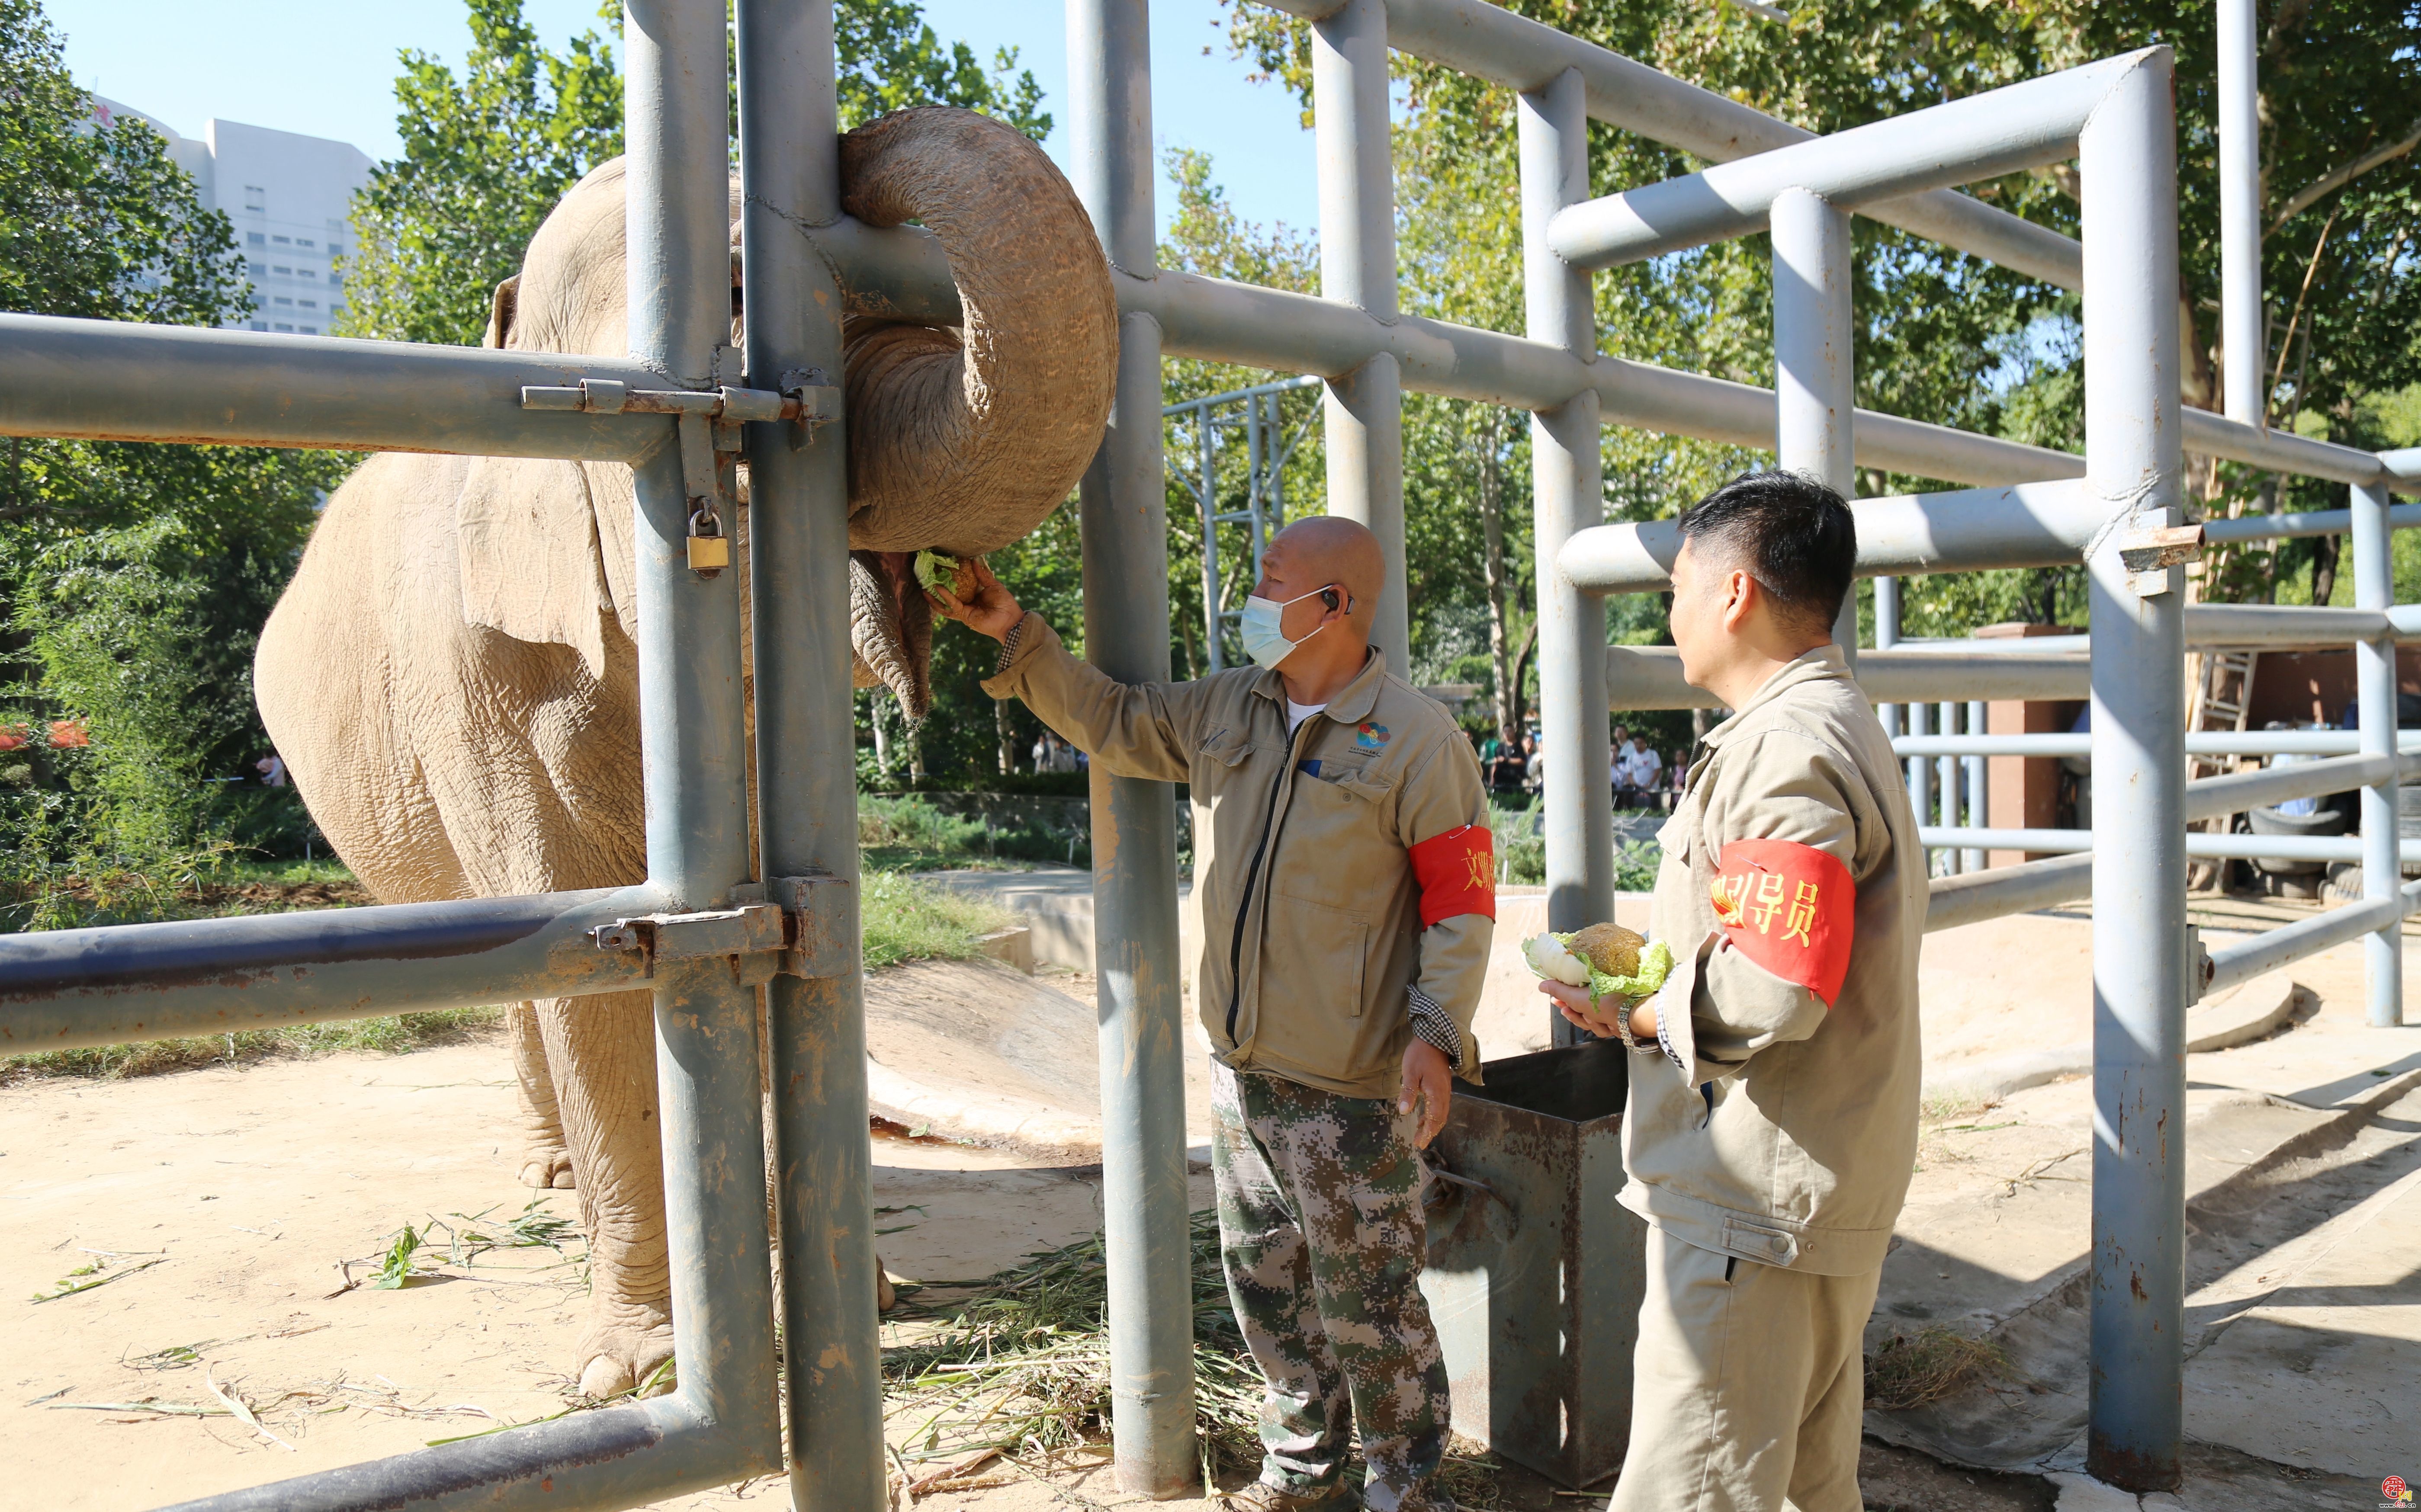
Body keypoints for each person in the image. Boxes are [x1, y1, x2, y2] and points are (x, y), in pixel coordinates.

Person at [932, 516, 1490, 1512]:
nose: (1254, 596)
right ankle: (1301, 1467)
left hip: (1352, 1089)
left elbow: (1460, 905)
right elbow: (1113, 717)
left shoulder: (1416, 739)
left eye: (1272, 582)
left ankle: (1404, 1485)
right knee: (1265, 1284)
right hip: (1242, 1068)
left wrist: (1435, 1034)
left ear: (1335, 606)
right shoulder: (1232, 705)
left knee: (1370, 1301)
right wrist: (1017, 632)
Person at [1538, 471, 1921, 1512]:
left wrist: (1644, 1013)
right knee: (1801, 1488)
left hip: (1750, 1203)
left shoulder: (1781, 745)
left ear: (1735, 592)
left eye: (1673, 589)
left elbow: (1773, 984)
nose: (1667, 616)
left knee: (1693, 1487)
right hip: (1805, 1186)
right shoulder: (1831, 722)